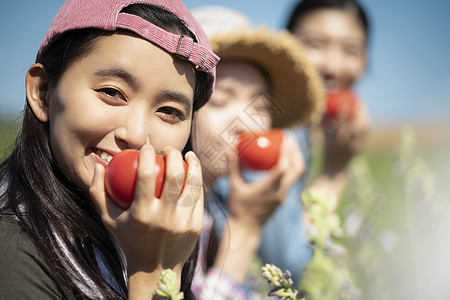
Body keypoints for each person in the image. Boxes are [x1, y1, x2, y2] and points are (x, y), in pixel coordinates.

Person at [0, 0, 219, 299]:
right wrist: (153, 275)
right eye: (112, 92)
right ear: (43, 94)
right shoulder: (11, 250)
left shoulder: (156, 239)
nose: (138, 135)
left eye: (169, 111)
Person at [190, 6, 324, 298]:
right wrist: (245, 230)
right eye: (220, 100)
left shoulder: (209, 207)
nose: (246, 123)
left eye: (260, 107)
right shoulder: (161, 208)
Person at [285, 0, 371, 211]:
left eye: (351, 50)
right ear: (284, 45)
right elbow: (290, 244)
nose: (333, 66)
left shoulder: (307, 131)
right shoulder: (270, 131)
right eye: (315, 44)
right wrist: (333, 172)